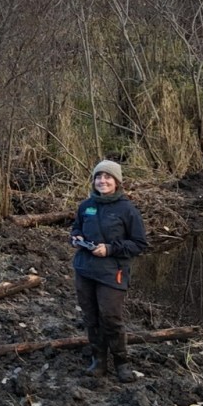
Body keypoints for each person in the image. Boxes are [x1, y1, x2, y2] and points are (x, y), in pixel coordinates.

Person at [70, 159, 148, 382]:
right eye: (98, 177)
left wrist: (110, 249)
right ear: (93, 181)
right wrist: (76, 237)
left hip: (112, 272)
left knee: (111, 317)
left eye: (107, 177)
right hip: (85, 269)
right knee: (90, 317)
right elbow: (77, 227)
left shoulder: (127, 209)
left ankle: (122, 363)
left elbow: (139, 244)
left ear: (117, 182)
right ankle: (98, 361)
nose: (102, 181)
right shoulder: (86, 206)